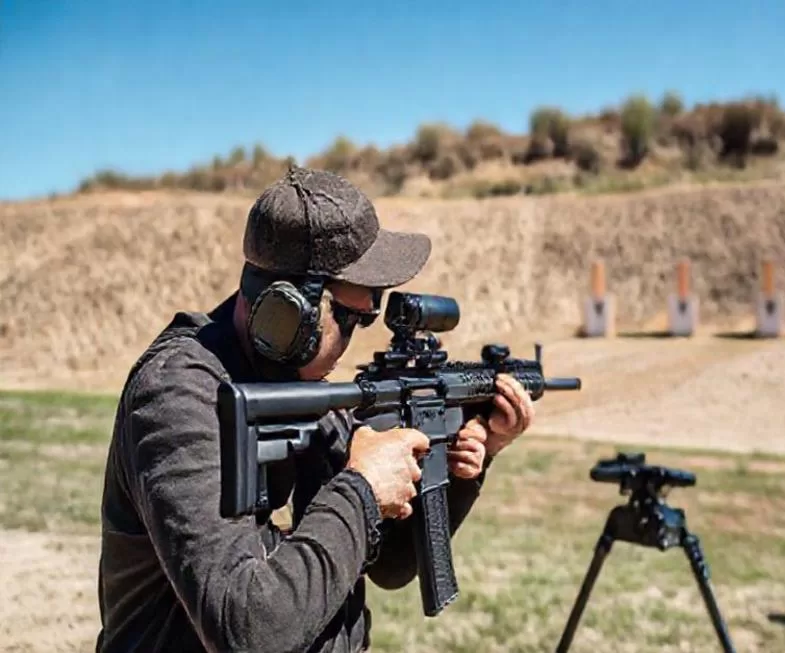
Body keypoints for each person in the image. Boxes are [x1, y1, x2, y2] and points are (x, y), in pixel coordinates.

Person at [95, 166, 535, 653]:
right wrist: (363, 490)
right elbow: (248, 630)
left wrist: (466, 464)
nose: (353, 339)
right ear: (290, 314)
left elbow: (387, 566)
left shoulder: (307, 390)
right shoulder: (179, 397)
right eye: (350, 319)